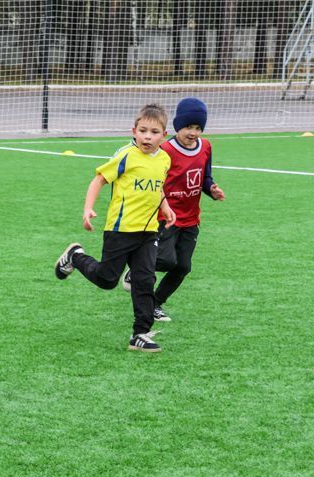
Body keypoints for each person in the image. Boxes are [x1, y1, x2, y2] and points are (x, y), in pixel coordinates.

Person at [54, 103, 176, 352]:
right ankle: (75, 256)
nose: (148, 137)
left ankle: (140, 334)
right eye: (143, 131)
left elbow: (157, 186)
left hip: (148, 231)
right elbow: (99, 179)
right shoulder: (126, 156)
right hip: (120, 230)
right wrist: (87, 209)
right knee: (107, 280)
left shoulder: (165, 159)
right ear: (134, 131)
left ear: (164, 135)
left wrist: (165, 206)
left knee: (145, 280)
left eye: (154, 132)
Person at [121, 97, 225, 322]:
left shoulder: (206, 147)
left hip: (191, 219)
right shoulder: (165, 150)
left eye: (198, 128)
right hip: (165, 216)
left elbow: (205, 177)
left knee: (183, 267)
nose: (193, 132)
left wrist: (211, 189)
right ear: (178, 126)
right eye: (188, 127)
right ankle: (136, 269)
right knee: (167, 260)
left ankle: (155, 303)